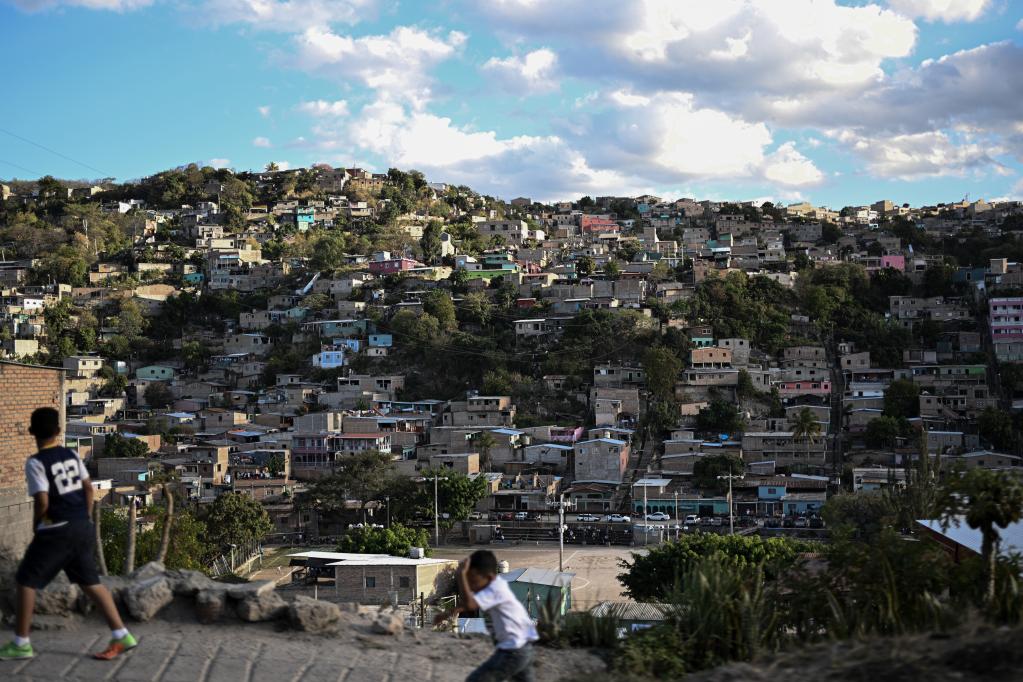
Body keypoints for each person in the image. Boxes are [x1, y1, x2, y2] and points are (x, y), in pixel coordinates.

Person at [0, 408, 138, 662]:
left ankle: (21, 642)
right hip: (81, 527)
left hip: (55, 530)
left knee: (26, 580)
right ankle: (121, 633)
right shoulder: (72, 455)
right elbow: (88, 490)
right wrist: (83, 517)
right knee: (91, 583)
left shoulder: (36, 462)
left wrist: (36, 526)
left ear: (32, 432)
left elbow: (42, 501)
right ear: (59, 431)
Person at [434, 550, 538, 681]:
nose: (471, 586)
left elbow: (470, 603)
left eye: (473, 581)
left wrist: (461, 575)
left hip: (513, 650)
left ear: (488, 577)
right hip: (524, 647)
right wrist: (448, 613)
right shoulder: (496, 587)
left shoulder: (495, 589)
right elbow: (470, 603)